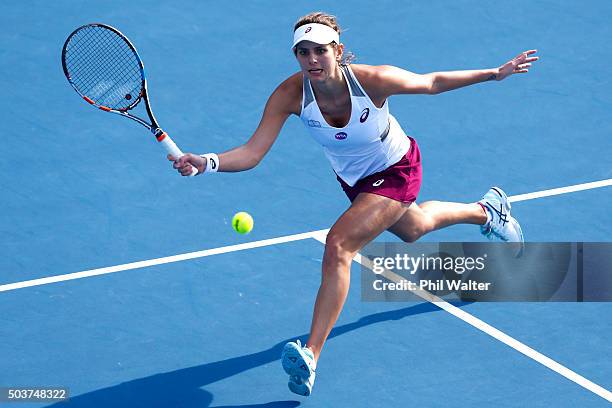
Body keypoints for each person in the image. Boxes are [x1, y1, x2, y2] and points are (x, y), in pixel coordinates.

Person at [169, 12, 538, 396]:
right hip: (357, 183)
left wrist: (495, 73)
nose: (311, 60)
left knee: (339, 244)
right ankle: (487, 211)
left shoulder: (370, 80)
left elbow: (430, 82)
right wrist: (208, 162)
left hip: (396, 169)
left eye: (320, 51)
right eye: (303, 52)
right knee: (414, 229)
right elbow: (252, 152)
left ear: (338, 51)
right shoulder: (290, 94)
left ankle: (311, 354)